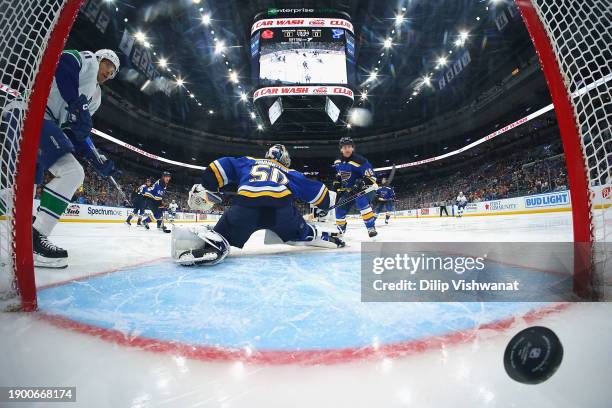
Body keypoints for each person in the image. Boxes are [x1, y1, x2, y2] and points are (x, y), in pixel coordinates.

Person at [177, 144, 343, 266]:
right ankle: (319, 235)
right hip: (280, 211)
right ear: (285, 159)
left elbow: (217, 168)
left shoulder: (249, 162)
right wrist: (325, 204)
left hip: (246, 206)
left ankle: (216, 244)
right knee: (300, 231)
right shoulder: (290, 173)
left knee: (225, 230)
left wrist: (206, 185)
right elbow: (321, 195)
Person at [31, 49, 119, 267]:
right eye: (108, 65)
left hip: (44, 122)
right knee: (72, 172)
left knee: (20, 190)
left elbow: (74, 133)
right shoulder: (88, 60)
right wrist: (76, 103)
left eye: (113, 72)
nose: (109, 72)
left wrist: (94, 157)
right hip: (35, 112)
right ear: (100, 58)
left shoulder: (96, 97)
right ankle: (35, 238)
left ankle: (26, 238)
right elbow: (64, 63)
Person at [333, 137, 378, 237]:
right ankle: (340, 231)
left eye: (349, 147)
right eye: (344, 147)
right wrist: (337, 182)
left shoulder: (360, 161)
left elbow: (373, 177)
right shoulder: (337, 162)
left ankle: (371, 227)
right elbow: (340, 175)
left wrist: (360, 183)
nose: (347, 149)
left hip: (366, 189)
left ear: (353, 148)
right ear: (341, 149)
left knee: (360, 199)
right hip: (350, 190)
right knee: (339, 208)